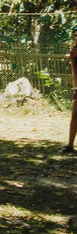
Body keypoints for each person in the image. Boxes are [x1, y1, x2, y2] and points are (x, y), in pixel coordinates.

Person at [58, 26, 77, 154]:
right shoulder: (74, 52)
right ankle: (70, 145)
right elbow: (75, 72)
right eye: (75, 35)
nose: (76, 37)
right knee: (75, 114)